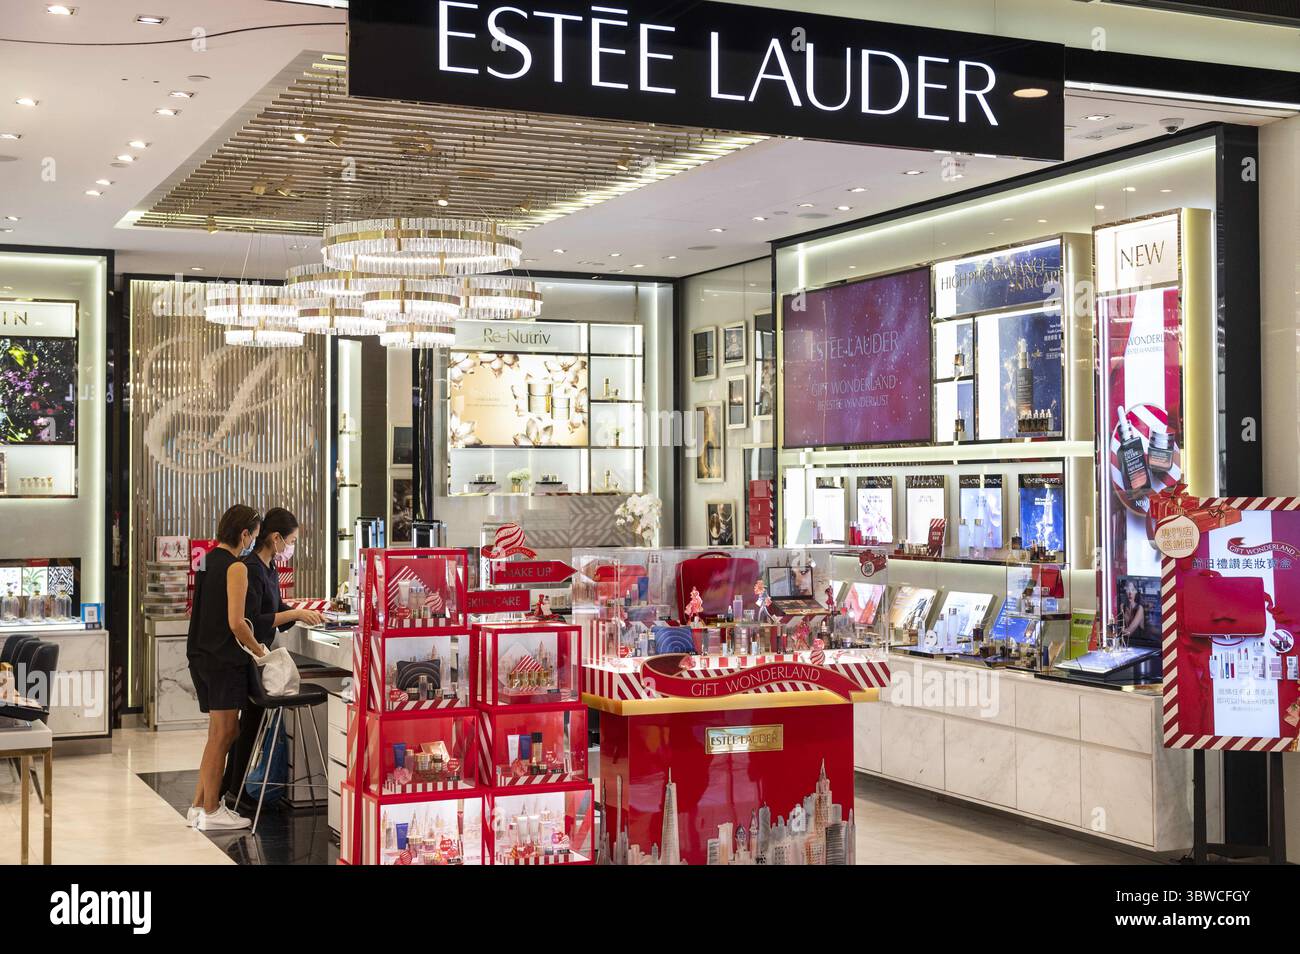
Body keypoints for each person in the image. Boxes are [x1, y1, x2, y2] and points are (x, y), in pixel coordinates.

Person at [222, 508, 323, 809]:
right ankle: (233, 789)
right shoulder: (251, 569)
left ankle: (233, 787)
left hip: (261, 655)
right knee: (247, 727)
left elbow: (277, 607)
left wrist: (302, 614)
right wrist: (294, 614)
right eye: (291, 542)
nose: (291, 548)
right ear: (276, 538)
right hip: (251, 655)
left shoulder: (270, 568)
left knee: (250, 726)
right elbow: (253, 620)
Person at [187, 505, 267, 831]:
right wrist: (259, 650)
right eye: (254, 537)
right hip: (223, 660)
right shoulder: (236, 568)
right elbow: (236, 622)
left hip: (202, 655)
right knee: (224, 734)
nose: (253, 543)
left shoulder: (207, 560)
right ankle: (211, 808)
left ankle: (198, 805)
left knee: (220, 733)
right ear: (244, 534)